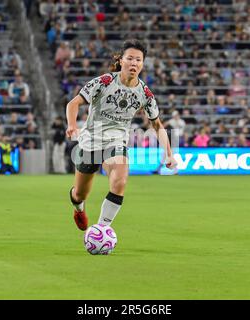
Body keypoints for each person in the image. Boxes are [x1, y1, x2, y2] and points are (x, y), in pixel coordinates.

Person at [65, 39, 178, 231]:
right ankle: (78, 207)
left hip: (116, 141)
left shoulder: (145, 94)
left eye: (138, 60)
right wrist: (72, 125)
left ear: (142, 64)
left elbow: (158, 125)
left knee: (120, 182)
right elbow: (73, 104)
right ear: (121, 60)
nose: (134, 63)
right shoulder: (104, 81)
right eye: (130, 58)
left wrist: (169, 153)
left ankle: (101, 229)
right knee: (79, 194)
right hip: (91, 140)